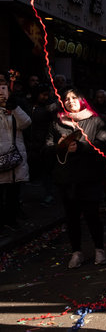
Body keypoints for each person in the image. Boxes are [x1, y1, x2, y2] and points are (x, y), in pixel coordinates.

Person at [45, 87, 106, 268]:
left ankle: (99, 249)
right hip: (66, 179)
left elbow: (104, 143)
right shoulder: (57, 123)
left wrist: (81, 148)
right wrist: (58, 146)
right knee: (71, 218)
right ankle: (76, 252)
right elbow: (46, 147)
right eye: (66, 98)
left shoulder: (95, 121)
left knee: (92, 216)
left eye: (75, 97)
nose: (70, 101)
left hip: (89, 178)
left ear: (82, 100)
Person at [0, 80, 31, 231]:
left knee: (13, 192)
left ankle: (11, 220)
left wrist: (14, 108)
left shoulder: (14, 108)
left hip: (14, 157)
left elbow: (26, 123)